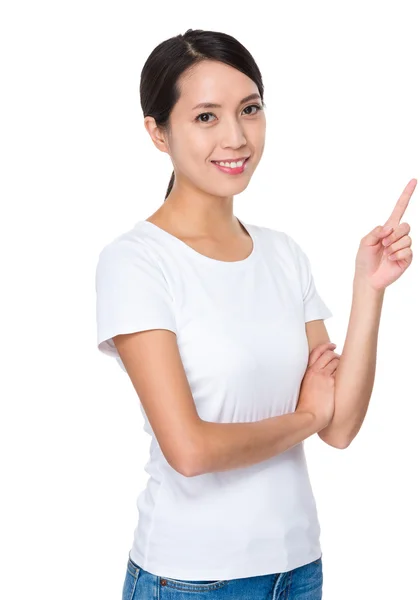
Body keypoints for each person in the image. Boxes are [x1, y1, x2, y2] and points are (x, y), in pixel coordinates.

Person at [96, 28, 339, 600]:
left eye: (249, 110)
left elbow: (343, 424)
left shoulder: (284, 253)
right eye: (206, 117)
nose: (236, 137)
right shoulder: (136, 262)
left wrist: (370, 286)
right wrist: (306, 419)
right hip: (192, 578)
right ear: (158, 132)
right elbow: (190, 449)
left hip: (299, 568)